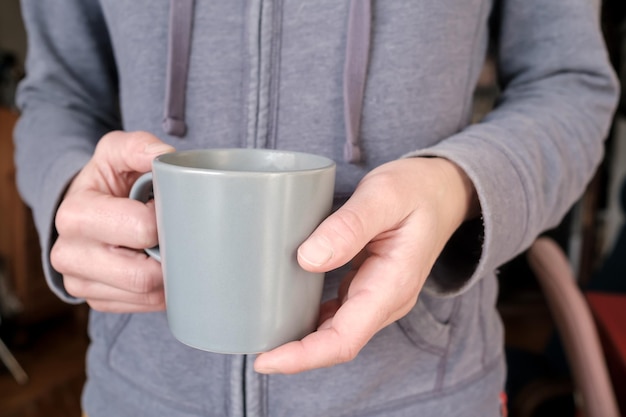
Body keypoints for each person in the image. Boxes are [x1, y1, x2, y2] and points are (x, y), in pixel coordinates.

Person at [13, 1, 618, 416]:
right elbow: (57, 92)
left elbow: (569, 84)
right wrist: (67, 191)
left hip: (418, 394)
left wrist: (455, 184)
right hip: (137, 390)